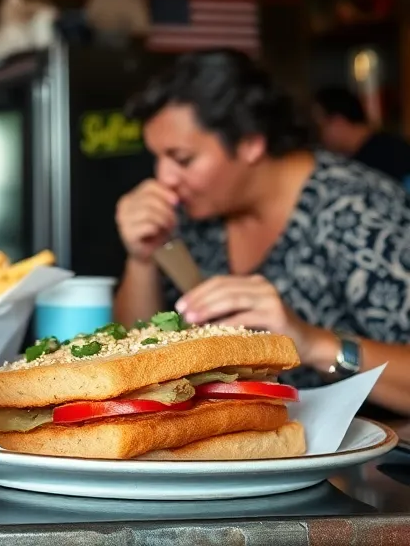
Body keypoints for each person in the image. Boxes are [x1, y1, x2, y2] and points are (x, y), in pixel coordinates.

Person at [113, 49, 410, 415]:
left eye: (182, 159)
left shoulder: (359, 209)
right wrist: (143, 257)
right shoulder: (195, 208)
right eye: (157, 157)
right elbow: (134, 364)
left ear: (250, 143)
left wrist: (312, 343)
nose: (164, 177)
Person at [313, 86, 410, 187]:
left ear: (338, 122)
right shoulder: (384, 149)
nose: (319, 135)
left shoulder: (383, 158)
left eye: (319, 126)